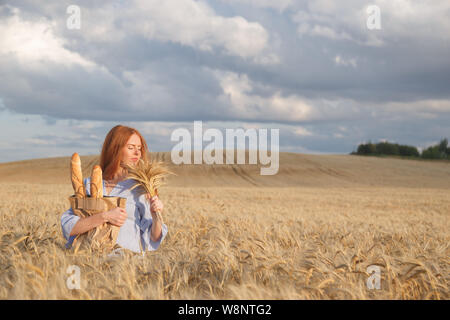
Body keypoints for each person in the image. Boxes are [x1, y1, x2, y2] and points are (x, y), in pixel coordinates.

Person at [60, 125, 168, 254]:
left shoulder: (141, 187)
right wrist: (105, 216)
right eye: (131, 147)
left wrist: (156, 215)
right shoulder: (88, 185)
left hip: (126, 265)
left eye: (139, 148)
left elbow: (154, 237)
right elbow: (69, 228)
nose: (137, 152)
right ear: (115, 149)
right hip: (90, 260)